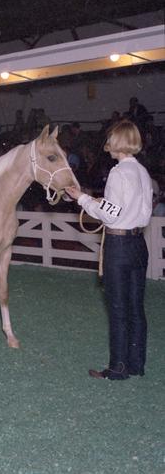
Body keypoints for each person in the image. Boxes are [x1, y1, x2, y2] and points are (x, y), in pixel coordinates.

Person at [65, 120, 153, 381]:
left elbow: (111, 214)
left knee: (117, 308)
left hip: (119, 246)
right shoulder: (143, 172)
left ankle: (117, 368)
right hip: (138, 243)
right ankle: (136, 364)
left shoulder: (118, 173)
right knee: (136, 308)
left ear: (117, 142)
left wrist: (81, 198)